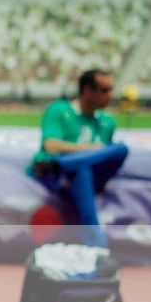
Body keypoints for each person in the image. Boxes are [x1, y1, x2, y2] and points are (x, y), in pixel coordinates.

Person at [27, 67, 127, 249]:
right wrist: (91, 149)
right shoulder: (59, 110)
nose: (110, 95)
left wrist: (80, 155)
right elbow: (51, 145)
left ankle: (59, 164)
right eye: (105, 90)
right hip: (59, 178)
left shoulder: (108, 122)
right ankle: (96, 246)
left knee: (120, 149)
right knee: (82, 170)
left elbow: (105, 160)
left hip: (82, 174)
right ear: (88, 90)